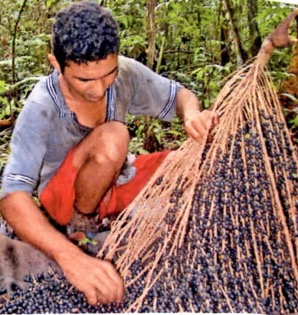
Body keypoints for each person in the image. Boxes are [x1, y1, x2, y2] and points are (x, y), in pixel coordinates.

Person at [0, 1, 218, 306]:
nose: (100, 88)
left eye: (108, 74)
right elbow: (11, 197)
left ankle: (108, 220)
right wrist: (72, 258)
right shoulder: (40, 108)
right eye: (84, 80)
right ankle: (81, 227)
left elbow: (179, 95)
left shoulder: (124, 73)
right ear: (56, 63)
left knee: (186, 162)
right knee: (115, 135)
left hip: (112, 183)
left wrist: (192, 115)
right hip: (63, 199)